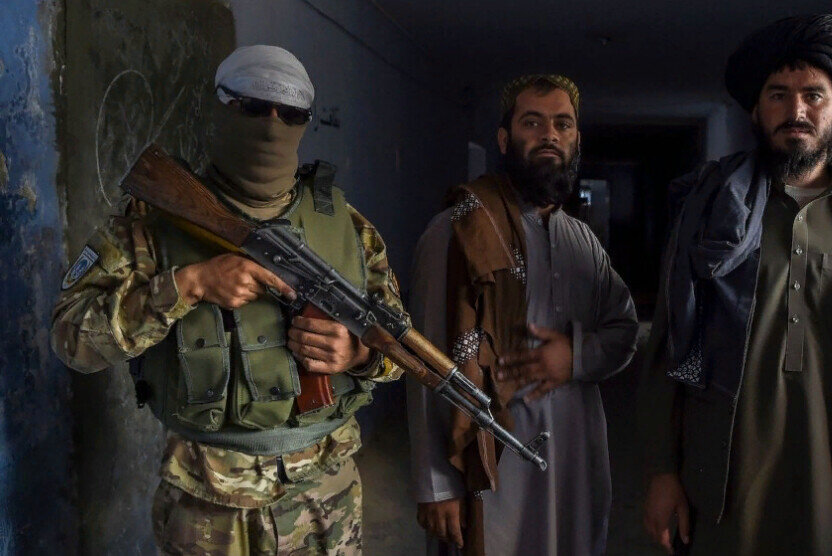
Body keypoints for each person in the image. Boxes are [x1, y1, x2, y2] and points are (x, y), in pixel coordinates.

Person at [51, 45, 405, 555]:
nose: (272, 124)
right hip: (209, 503)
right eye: (254, 107)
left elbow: (402, 349)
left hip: (326, 493)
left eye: (291, 113)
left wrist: (360, 354)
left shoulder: (349, 228)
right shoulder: (153, 220)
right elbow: (70, 339)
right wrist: (187, 286)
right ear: (221, 107)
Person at [640, 14, 832, 556]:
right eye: (778, 95)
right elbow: (668, 345)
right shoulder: (708, 212)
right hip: (726, 479)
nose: (796, 111)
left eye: (812, 95)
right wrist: (663, 470)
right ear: (757, 109)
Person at [406, 74, 639, 555]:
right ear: (504, 138)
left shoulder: (583, 240)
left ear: (576, 140)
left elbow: (624, 330)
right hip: (493, 467)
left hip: (573, 459)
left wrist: (575, 357)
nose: (549, 134)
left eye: (562, 124)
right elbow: (424, 360)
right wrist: (436, 484)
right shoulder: (457, 231)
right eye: (532, 122)